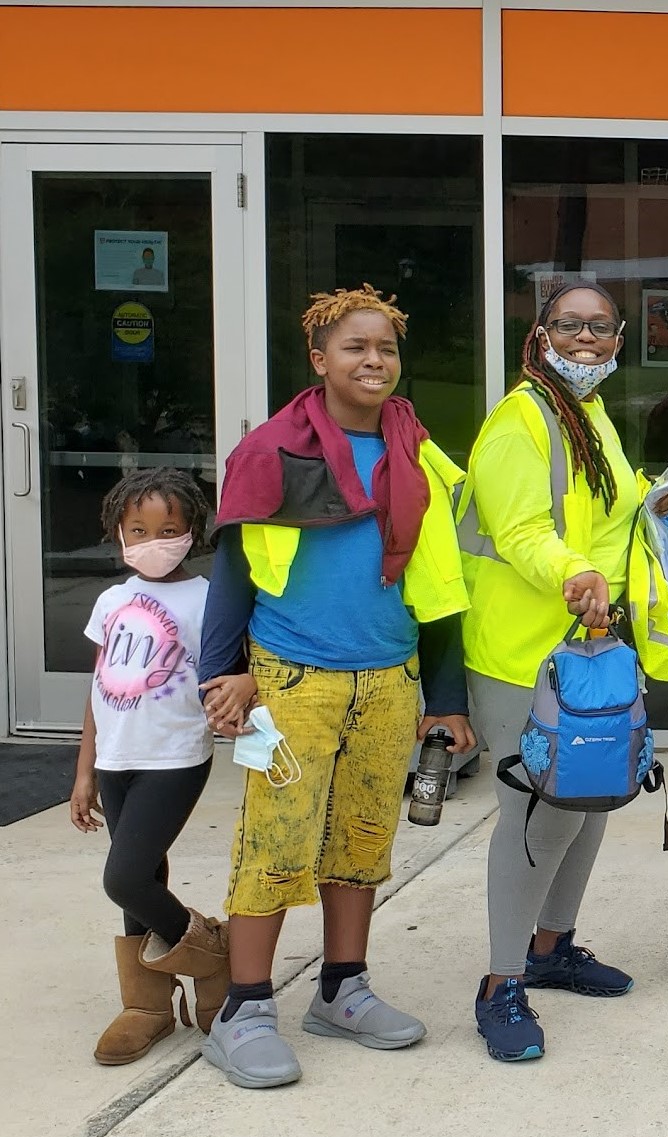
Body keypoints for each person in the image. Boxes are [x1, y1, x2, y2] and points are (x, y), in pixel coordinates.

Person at [196, 284, 474, 1088]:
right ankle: (244, 1009)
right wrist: (225, 673)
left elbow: (438, 586)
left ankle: (342, 989)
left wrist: (447, 698)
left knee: (360, 843)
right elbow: (233, 567)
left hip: (388, 680)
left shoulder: (415, 454)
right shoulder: (272, 452)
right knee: (273, 844)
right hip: (288, 680)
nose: (374, 360)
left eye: (386, 348)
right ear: (319, 361)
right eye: (355, 347)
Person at [458, 281, 668, 1063]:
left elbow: (594, 512)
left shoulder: (585, 416)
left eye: (599, 328)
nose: (585, 339)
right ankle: (500, 983)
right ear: (540, 333)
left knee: (587, 803)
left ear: (620, 339)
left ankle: (551, 946)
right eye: (569, 325)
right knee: (536, 811)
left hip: (587, 645)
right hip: (526, 652)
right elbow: (519, 528)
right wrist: (575, 573)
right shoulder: (521, 418)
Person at [70, 468, 221, 1064]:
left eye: (168, 528)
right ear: (118, 532)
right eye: (139, 529)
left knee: (123, 877)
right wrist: (84, 771)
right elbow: (99, 688)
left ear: (191, 531)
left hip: (175, 757)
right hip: (116, 757)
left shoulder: (206, 597)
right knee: (144, 876)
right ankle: (148, 1006)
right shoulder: (111, 599)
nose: (153, 539)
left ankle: (211, 953)